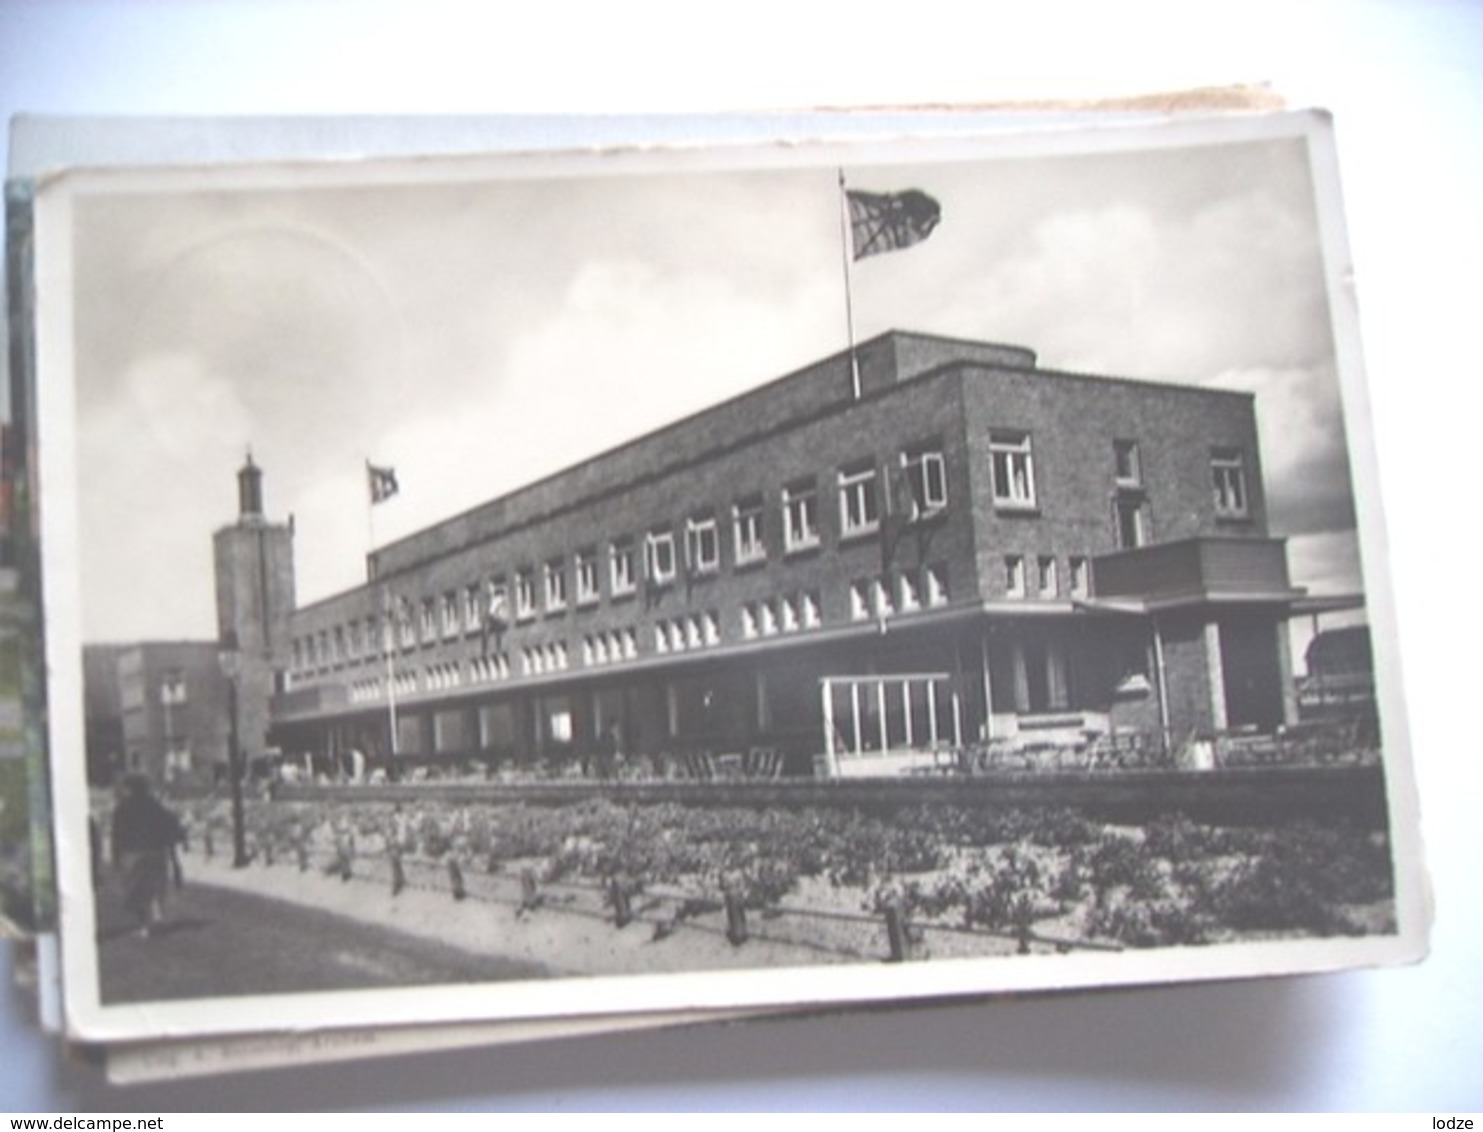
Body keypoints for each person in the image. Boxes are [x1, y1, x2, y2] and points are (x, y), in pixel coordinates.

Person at [109, 774, 185, 938]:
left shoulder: (122, 809)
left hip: (133, 853)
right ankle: (156, 916)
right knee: (155, 887)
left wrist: (115, 858)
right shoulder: (156, 807)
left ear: (128, 789)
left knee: (135, 891)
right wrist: (175, 861)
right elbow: (170, 832)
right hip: (156, 852)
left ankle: (144, 924)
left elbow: (117, 835)